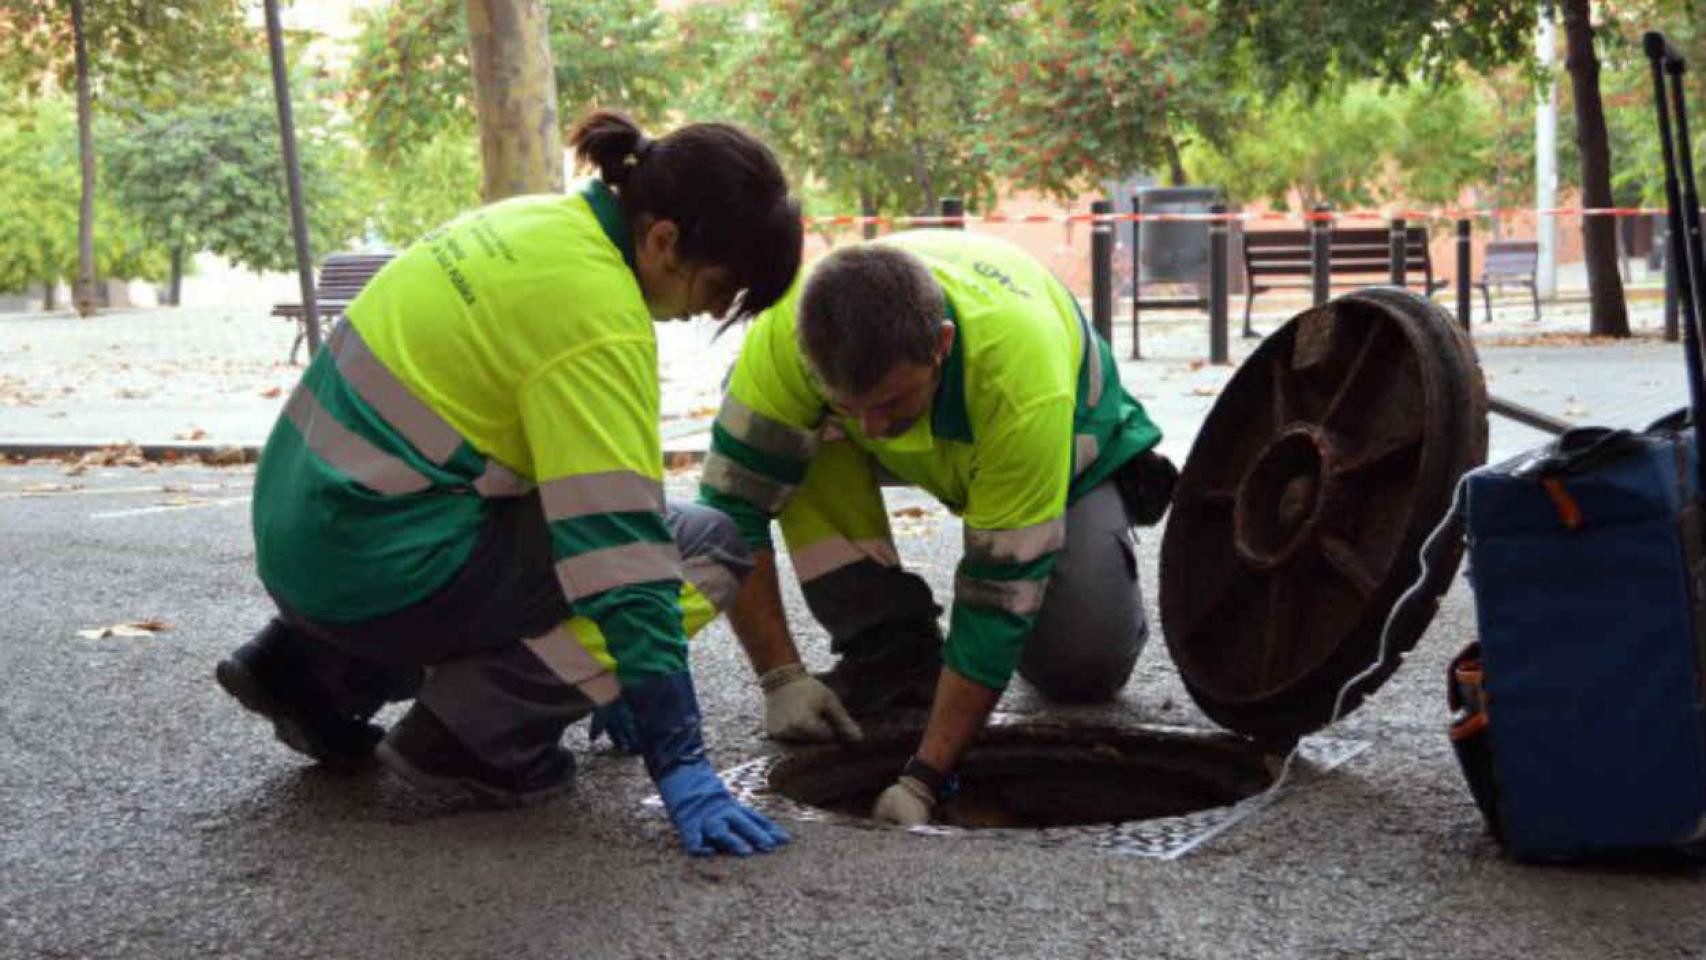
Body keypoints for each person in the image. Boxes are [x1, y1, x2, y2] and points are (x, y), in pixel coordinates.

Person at [217, 111, 802, 858]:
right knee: (706, 547)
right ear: (663, 240)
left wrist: (612, 676)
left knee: (508, 501)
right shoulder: (596, 316)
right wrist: (680, 758)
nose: (713, 312)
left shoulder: (531, 224)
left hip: (304, 543)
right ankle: (473, 736)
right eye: (721, 287)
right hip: (379, 567)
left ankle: (307, 674)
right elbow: (622, 560)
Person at [700, 228, 1173, 826]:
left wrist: (925, 778)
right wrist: (779, 677)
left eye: (892, 401)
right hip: (938, 426)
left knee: (1082, 670)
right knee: (783, 434)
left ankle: (1104, 526)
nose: (871, 427)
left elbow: (999, 592)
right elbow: (729, 512)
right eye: (851, 405)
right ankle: (889, 643)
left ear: (941, 345)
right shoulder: (787, 336)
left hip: (1060, 450)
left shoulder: (1020, 378)